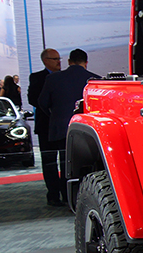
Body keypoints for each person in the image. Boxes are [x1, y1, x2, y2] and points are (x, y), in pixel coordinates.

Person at [38, 49, 99, 207]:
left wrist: (55, 115)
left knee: (62, 162)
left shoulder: (53, 78)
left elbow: (42, 103)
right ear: (86, 63)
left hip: (60, 127)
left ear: (69, 61)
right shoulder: (94, 81)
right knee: (85, 165)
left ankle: (64, 197)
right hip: (86, 130)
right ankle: (80, 197)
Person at [29, 49, 64, 206]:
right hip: (45, 126)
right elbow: (33, 99)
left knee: (65, 162)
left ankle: (66, 193)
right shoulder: (37, 77)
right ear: (45, 61)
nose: (58, 61)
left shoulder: (64, 77)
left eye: (59, 58)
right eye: (54, 59)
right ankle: (53, 195)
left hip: (62, 126)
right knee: (49, 162)